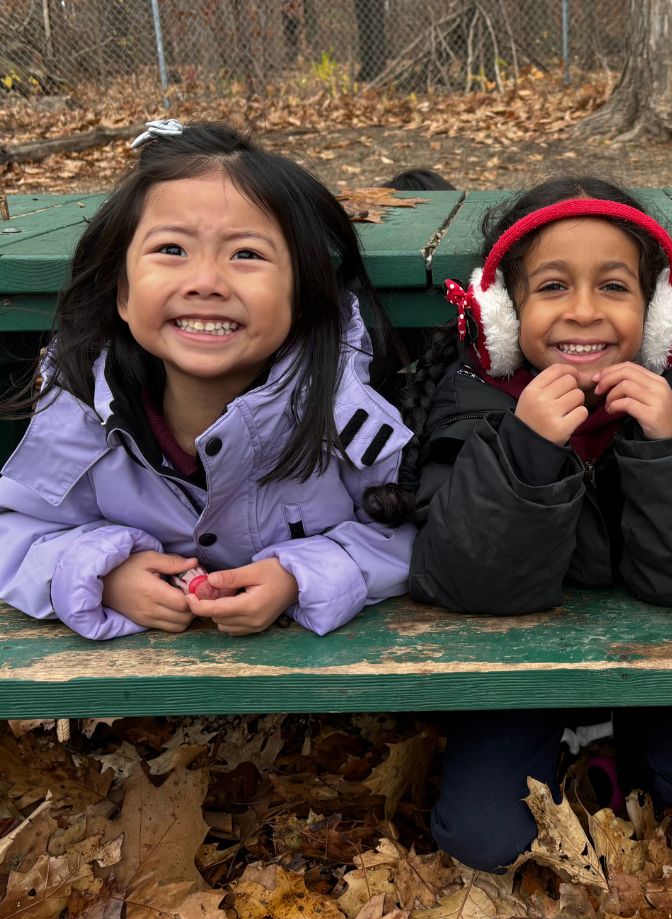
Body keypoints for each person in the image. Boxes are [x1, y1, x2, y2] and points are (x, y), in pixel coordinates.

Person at [381, 175, 672, 871]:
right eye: (553, 287)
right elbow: (469, 581)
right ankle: (561, 748)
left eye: (614, 288)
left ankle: (625, 747)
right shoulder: (472, 406)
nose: (583, 312)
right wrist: (524, 452)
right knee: (484, 838)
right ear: (502, 311)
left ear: (656, 315)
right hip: (517, 668)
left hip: (662, 660)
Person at [0, 120, 415, 640]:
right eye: (172, 249)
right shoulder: (81, 404)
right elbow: (15, 532)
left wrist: (299, 576)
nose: (206, 283)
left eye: (246, 254)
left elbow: (404, 530)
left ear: (300, 297)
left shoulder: (344, 406)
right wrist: (102, 575)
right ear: (123, 295)